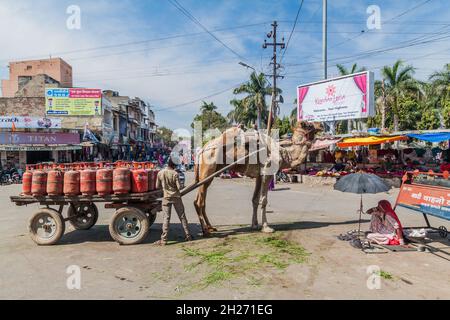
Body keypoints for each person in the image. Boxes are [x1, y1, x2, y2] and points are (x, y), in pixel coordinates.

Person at [154, 158, 192, 246]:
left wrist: (165, 189)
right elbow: (179, 187)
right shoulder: (175, 173)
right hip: (176, 197)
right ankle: (188, 235)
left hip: (166, 197)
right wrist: (182, 185)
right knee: (182, 216)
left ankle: (164, 240)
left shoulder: (160, 173)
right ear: (174, 165)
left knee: (166, 218)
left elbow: (157, 186)